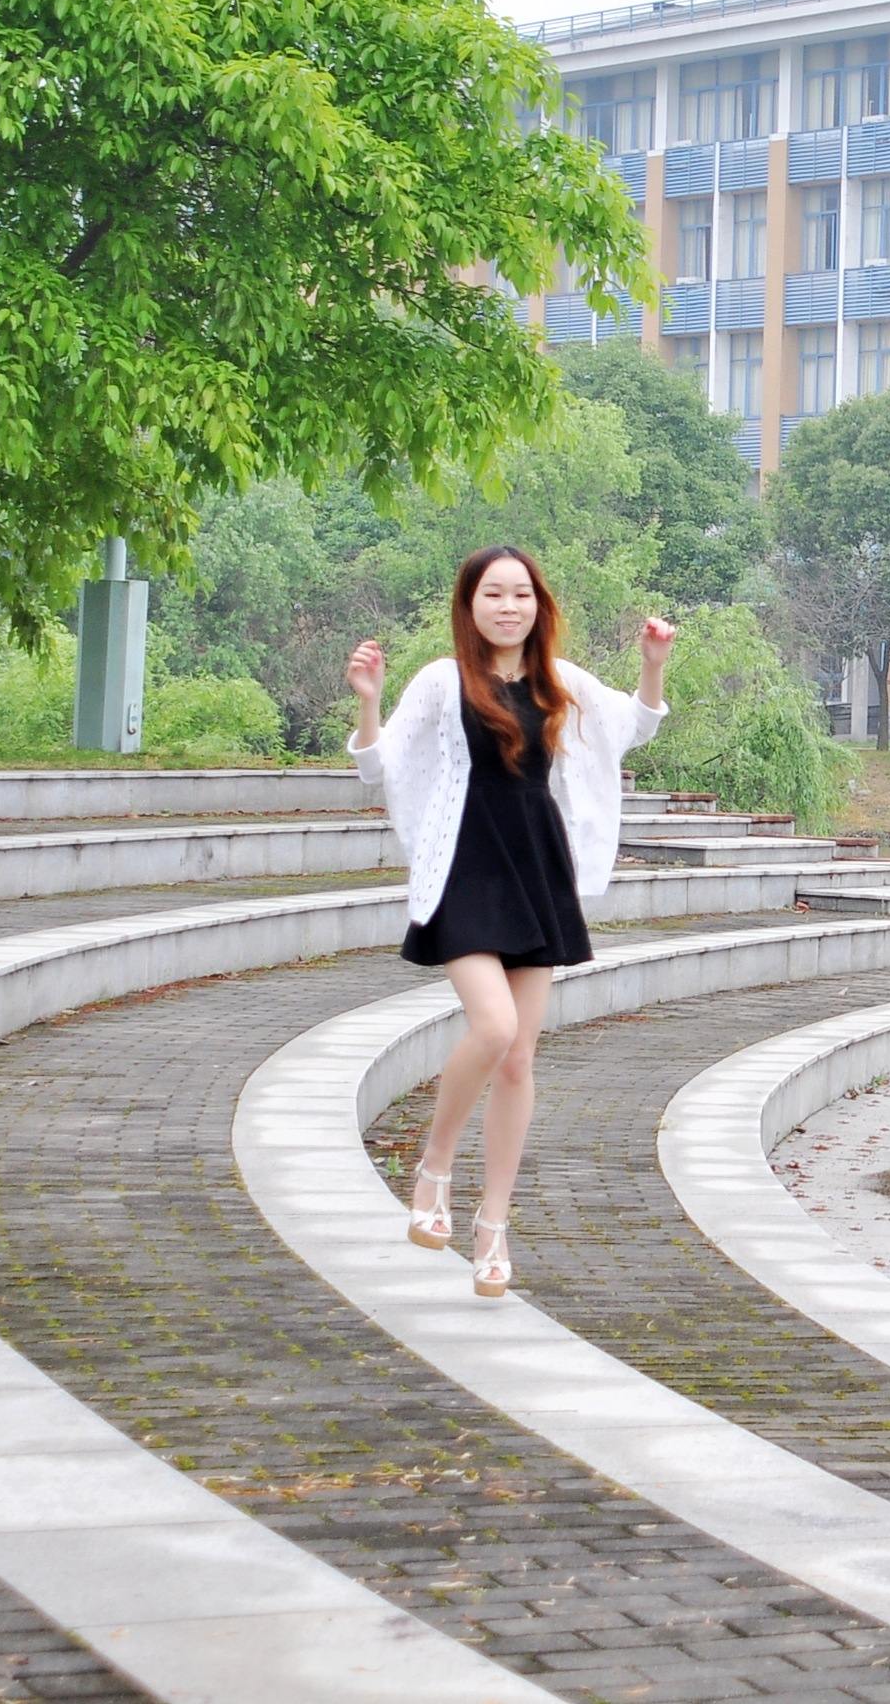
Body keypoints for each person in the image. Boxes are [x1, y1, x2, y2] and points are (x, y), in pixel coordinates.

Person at [346, 546, 674, 1296]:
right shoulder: (440, 681)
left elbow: (636, 725)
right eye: (492, 594)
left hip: (536, 866)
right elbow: (379, 766)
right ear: (470, 606)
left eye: (520, 593)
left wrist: (653, 662)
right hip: (463, 865)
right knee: (492, 1030)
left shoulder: (559, 682)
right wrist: (367, 699)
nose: (507, 606)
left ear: (538, 604)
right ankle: (432, 1170)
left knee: (520, 1059)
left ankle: (493, 1224)